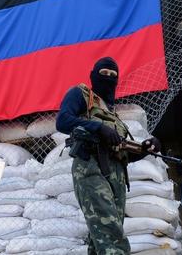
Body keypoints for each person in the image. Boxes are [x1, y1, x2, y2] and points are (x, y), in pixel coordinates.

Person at [56, 57, 161, 255]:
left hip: (116, 176)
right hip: (91, 168)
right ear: (94, 75)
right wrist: (98, 127)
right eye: (104, 73)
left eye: (113, 75)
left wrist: (146, 149)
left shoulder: (113, 114)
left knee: (101, 240)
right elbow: (62, 121)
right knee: (111, 235)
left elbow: (122, 154)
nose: (109, 78)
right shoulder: (81, 94)